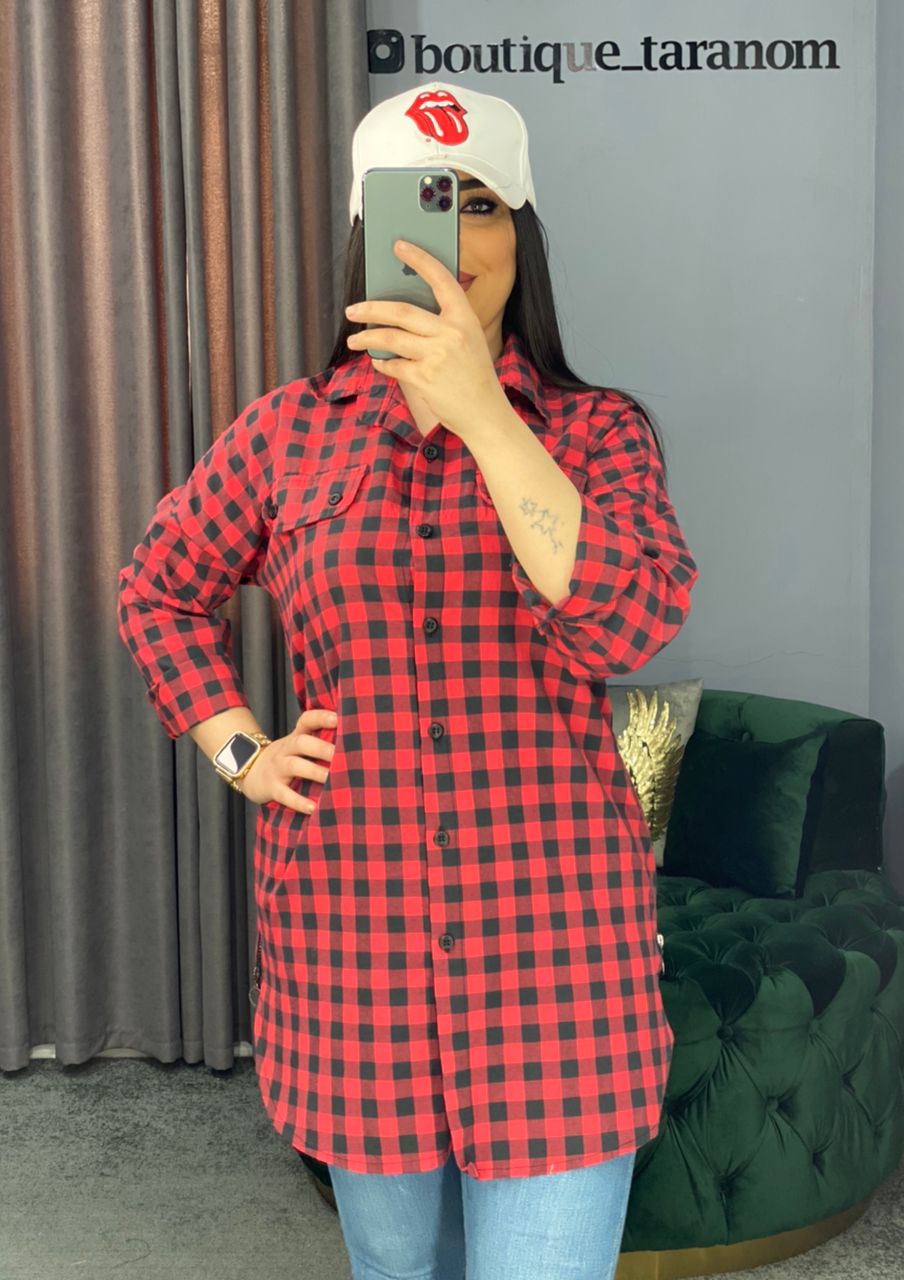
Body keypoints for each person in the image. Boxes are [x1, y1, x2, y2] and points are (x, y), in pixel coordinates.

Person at [117, 79, 700, 1280]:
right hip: (351, 946)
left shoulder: (597, 432)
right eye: (423, 203)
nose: (456, 234)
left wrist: (488, 416)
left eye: (481, 203)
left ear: (521, 235)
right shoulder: (285, 433)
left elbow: (627, 622)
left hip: (556, 955)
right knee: (398, 1271)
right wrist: (240, 747)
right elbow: (158, 588)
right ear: (368, 231)